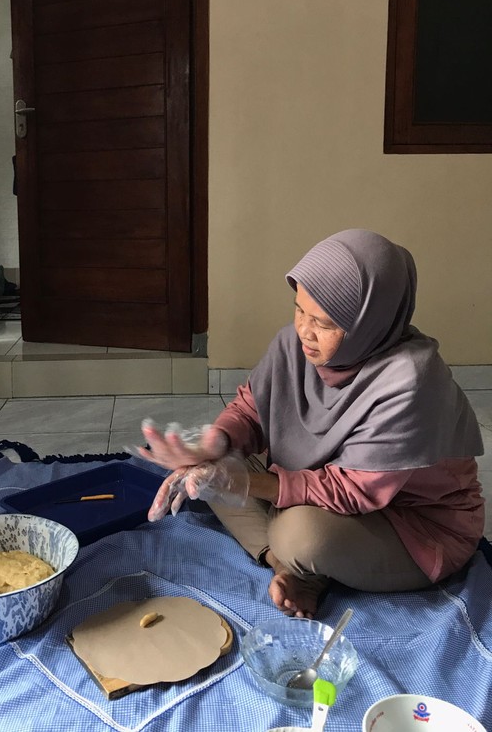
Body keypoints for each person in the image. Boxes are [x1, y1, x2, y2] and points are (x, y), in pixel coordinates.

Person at [137, 229, 485, 618]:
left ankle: (297, 559)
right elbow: (252, 408)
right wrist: (213, 444)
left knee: (300, 535)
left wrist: (248, 484)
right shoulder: (296, 346)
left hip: (410, 524)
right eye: (299, 309)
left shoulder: (413, 381)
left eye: (324, 322)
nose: (304, 330)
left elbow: (352, 493)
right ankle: (286, 567)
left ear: (371, 322)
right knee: (209, 474)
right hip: (319, 483)